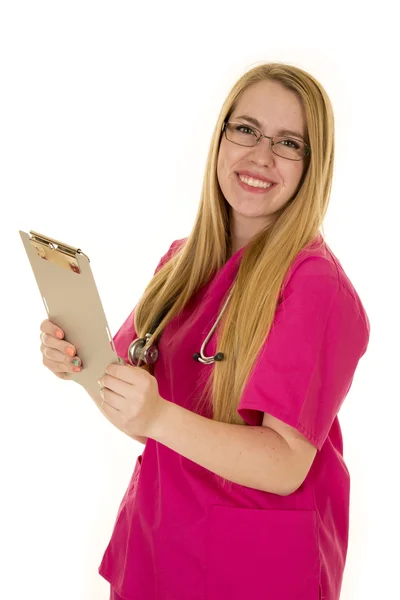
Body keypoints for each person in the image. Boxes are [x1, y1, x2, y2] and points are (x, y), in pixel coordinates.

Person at [39, 62, 370, 600]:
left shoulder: (316, 287)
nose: (260, 156)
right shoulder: (182, 263)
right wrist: (81, 367)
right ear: (220, 137)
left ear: (314, 166)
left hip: (253, 575)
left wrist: (156, 414)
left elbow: (286, 462)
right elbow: (144, 421)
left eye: (289, 143)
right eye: (246, 130)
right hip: (158, 554)